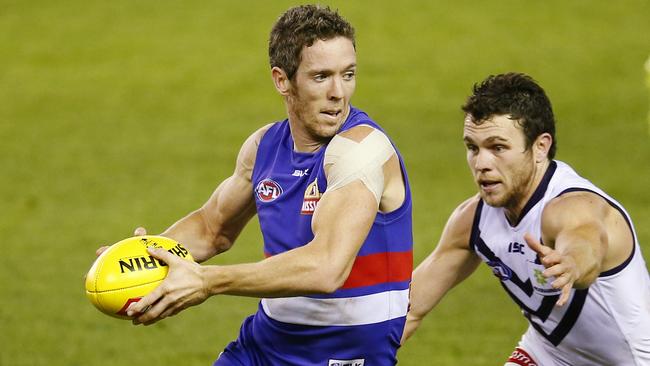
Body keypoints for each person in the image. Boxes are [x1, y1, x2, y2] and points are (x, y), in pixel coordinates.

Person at [112, 5, 413, 365]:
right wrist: (140, 257)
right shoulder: (264, 147)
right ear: (282, 80)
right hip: (265, 346)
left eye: (347, 74)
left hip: (342, 356)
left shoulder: (362, 150)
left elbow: (327, 267)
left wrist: (208, 281)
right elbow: (212, 230)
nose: (339, 92)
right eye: (321, 77)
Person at [402, 72, 650, 365]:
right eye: (473, 147)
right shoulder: (472, 220)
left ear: (540, 147)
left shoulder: (570, 205)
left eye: (498, 148)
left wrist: (571, 264)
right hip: (550, 353)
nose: (481, 164)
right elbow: (409, 311)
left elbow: (586, 241)